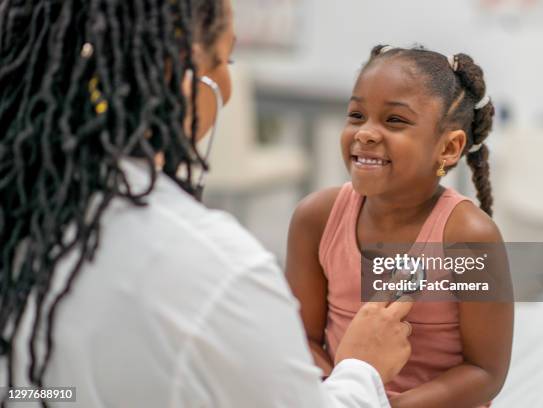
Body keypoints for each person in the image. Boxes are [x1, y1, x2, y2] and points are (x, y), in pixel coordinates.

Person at [0, 2, 414, 407]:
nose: (366, 135)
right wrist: (362, 368)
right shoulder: (235, 266)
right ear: (180, 74)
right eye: (225, 61)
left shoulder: (27, 213)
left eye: (395, 120)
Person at [286, 45, 514, 408]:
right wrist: (347, 391)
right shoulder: (315, 218)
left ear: (449, 147)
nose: (365, 133)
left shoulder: (469, 237)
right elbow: (302, 339)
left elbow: (485, 372)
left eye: (395, 120)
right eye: (356, 115)